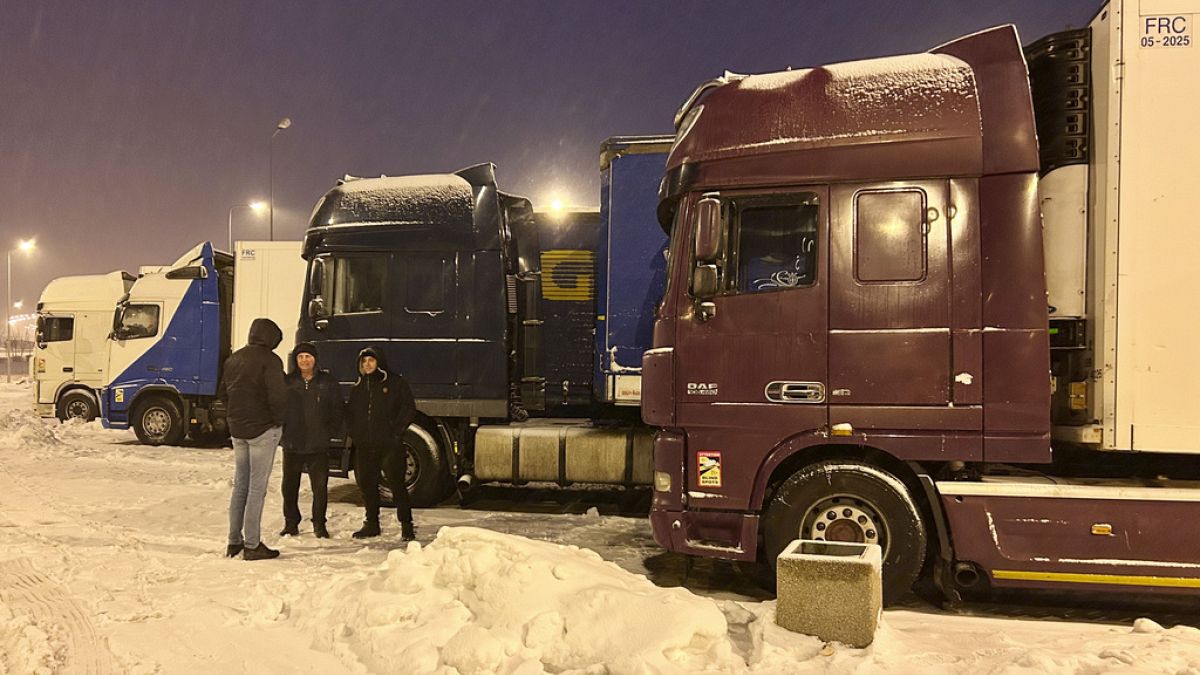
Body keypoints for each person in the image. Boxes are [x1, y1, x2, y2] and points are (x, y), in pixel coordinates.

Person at [219, 318, 288, 561]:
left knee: (241, 487)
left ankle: (233, 541)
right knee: (256, 489)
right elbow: (278, 397)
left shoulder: (234, 359)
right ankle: (252, 545)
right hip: (262, 431)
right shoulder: (270, 360)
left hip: (238, 431)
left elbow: (223, 393)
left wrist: (234, 418)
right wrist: (279, 421)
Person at [345, 346, 416, 541]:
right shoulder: (357, 388)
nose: (367, 364)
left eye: (371, 360)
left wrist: (396, 432)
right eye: (364, 361)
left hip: (389, 445)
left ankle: (406, 525)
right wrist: (355, 434)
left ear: (379, 362)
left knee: (397, 486)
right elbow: (350, 415)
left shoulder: (395, 383)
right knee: (368, 486)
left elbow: (409, 408)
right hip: (365, 446)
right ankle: (371, 524)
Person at [279, 342, 343, 539]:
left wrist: (330, 432)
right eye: (300, 357)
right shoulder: (288, 382)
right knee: (289, 487)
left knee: (320, 488)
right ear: (295, 360)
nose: (304, 360)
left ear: (315, 359)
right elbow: (278, 408)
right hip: (293, 443)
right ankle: (291, 523)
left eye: (308, 356)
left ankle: (319, 524)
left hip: (318, 445)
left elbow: (338, 409)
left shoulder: (327, 382)